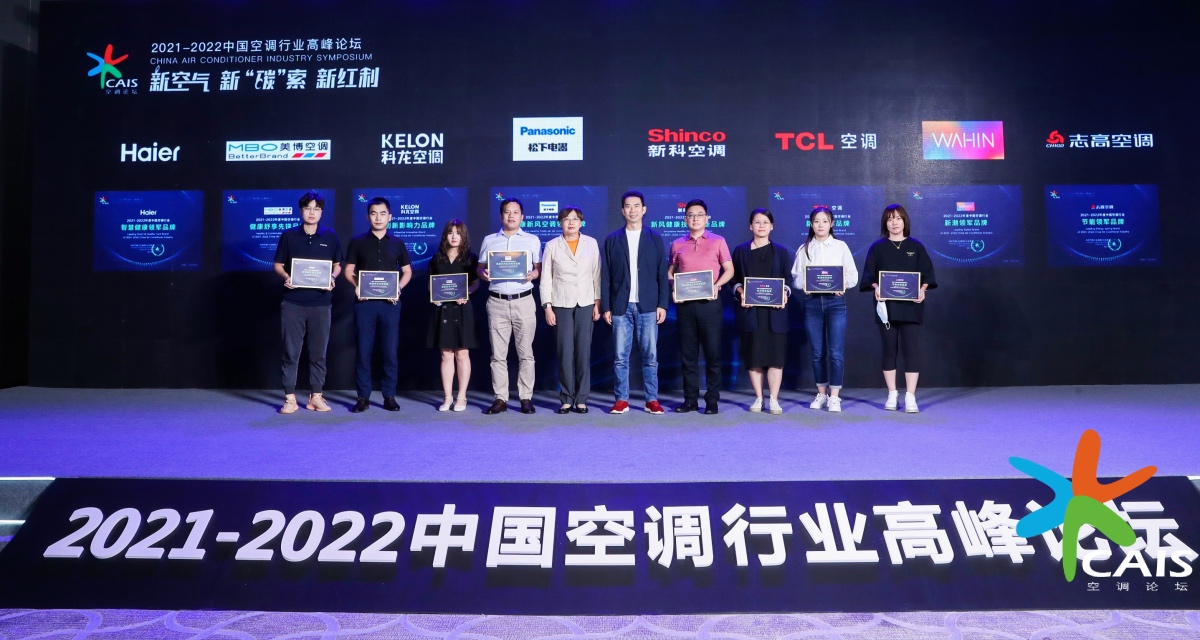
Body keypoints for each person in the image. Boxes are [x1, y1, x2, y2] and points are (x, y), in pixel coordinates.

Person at [859, 204, 937, 413]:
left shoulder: (916, 246)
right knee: (889, 350)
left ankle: (910, 396)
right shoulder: (877, 247)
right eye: (890, 218)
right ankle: (892, 393)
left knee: (911, 350)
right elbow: (869, 275)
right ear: (885, 223)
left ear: (905, 221)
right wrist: (876, 287)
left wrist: (923, 289)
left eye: (898, 218)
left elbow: (927, 274)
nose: (894, 222)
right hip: (887, 308)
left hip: (911, 307)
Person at [272, 191, 342, 414]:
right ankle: (290, 398)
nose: (312, 212)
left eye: (316, 209)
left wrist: (332, 277)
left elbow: (337, 265)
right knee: (291, 352)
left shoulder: (330, 236)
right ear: (301, 210)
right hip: (293, 302)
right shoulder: (288, 235)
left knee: (319, 353)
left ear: (321, 212)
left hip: (321, 303)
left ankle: (316, 397)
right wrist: (286, 277)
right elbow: (278, 264)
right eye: (308, 208)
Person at [600, 190, 669, 415]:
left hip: (648, 305)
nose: (632, 210)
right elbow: (606, 275)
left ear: (644, 209)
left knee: (651, 357)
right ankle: (621, 400)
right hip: (621, 306)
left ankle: (651, 400)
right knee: (620, 358)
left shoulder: (654, 238)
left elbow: (661, 274)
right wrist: (607, 306)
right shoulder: (612, 239)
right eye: (628, 206)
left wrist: (662, 304)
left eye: (636, 206)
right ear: (622, 211)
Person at [343, 197, 412, 413]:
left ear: (390, 217)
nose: (378, 217)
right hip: (364, 304)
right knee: (364, 352)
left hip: (390, 304)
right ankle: (363, 397)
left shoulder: (397, 243)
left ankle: (389, 396)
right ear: (368, 216)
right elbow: (348, 270)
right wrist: (357, 285)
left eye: (383, 213)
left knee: (390, 352)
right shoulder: (357, 242)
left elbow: (407, 271)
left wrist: (398, 287)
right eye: (374, 213)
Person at [668, 199, 734, 414]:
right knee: (688, 355)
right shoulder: (677, 244)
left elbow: (729, 270)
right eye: (690, 215)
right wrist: (674, 288)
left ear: (707, 218)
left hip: (710, 305)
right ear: (685, 219)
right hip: (685, 306)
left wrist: (717, 285)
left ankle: (712, 400)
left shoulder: (718, 241)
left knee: (713, 354)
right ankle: (690, 400)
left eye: (699, 215)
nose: (695, 218)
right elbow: (670, 272)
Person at [791, 206, 859, 413]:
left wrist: (842, 285)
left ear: (831, 224)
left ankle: (835, 396)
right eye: (816, 221)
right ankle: (821, 393)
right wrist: (804, 284)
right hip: (812, 304)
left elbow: (853, 276)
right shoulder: (804, 249)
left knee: (836, 352)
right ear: (811, 224)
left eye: (825, 221)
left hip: (835, 303)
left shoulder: (840, 246)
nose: (820, 225)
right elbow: (796, 278)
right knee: (817, 352)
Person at [477, 198, 542, 415]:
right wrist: (484, 274)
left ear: (522, 217)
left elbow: (539, 268)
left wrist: (534, 274)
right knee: (498, 355)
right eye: (507, 212)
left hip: (524, 300)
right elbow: (479, 268)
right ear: (501, 216)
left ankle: (526, 398)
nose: (511, 215)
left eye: (515, 212)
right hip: (497, 302)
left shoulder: (532, 240)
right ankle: (500, 398)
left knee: (526, 354)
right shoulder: (489, 240)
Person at [540, 206, 601, 414]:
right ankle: (566, 398)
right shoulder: (552, 245)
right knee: (564, 352)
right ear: (561, 223)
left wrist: (597, 303)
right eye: (567, 219)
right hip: (561, 304)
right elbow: (546, 278)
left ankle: (581, 399)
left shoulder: (591, 243)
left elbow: (597, 274)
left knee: (583, 352)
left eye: (575, 219)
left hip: (586, 302)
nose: (571, 222)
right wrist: (547, 306)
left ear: (581, 222)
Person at [731, 208, 792, 414]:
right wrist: (741, 292)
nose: (761, 226)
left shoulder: (781, 251)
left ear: (771, 226)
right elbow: (733, 278)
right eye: (757, 222)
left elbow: (787, 279)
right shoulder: (740, 251)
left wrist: (784, 293)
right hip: (751, 313)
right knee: (754, 357)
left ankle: (774, 399)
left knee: (776, 358)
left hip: (775, 314)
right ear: (751, 226)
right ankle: (759, 398)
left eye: (765, 222)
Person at [427, 219, 480, 412]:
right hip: (442, 309)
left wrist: (467, 293)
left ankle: (461, 397)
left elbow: (475, 283)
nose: (454, 236)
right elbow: (431, 284)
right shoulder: (437, 259)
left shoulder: (471, 258)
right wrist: (434, 297)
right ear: (445, 236)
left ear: (463, 236)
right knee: (446, 354)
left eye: (458, 233)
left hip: (462, 309)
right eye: (450, 232)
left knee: (462, 354)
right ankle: (447, 397)